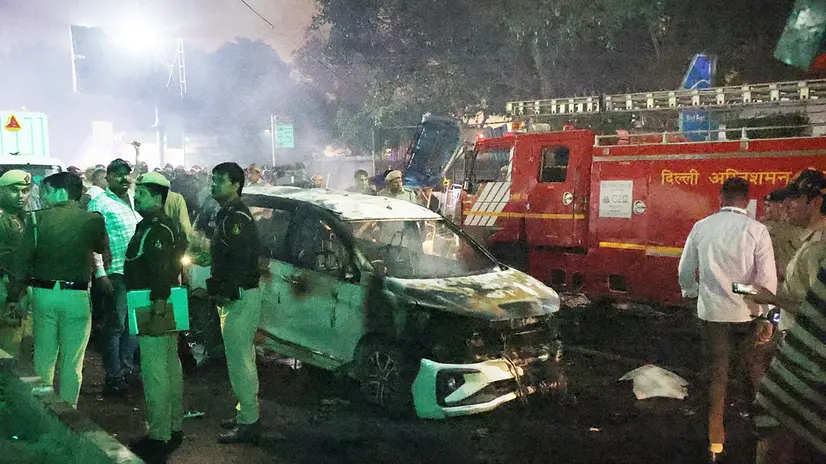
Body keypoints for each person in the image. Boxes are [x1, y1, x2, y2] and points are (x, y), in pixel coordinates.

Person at [677, 177, 777, 462]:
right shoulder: (757, 230)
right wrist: (768, 316)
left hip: (713, 316)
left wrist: (694, 292)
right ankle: (763, 436)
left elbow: (685, 270)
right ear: (747, 201)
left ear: (721, 197)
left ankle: (715, 444)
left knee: (717, 379)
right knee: (752, 374)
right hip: (748, 315)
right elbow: (766, 279)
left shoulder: (702, 227)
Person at [10, 172, 108, 407]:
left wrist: (14, 296)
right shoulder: (93, 219)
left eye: (47, 192)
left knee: (44, 356)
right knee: (73, 361)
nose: (43, 197)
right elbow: (102, 249)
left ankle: (43, 410)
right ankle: (69, 413)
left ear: (60, 192)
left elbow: (21, 262)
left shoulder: (36, 220)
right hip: (77, 296)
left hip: (43, 294)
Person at [124, 172, 187, 462]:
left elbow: (163, 267)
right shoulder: (162, 225)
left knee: (156, 372)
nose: (136, 197)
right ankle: (173, 427)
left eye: (142, 194)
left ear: (158, 197)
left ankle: (159, 435)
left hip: (154, 302)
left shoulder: (158, 228)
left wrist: (159, 302)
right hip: (163, 299)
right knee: (170, 367)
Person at [209, 162, 264, 444]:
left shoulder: (236, 218)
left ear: (236, 185)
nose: (213, 183)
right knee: (242, 359)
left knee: (240, 362)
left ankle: (249, 422)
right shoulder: (229, 214)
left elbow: (240, 261)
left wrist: (223, 291)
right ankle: (246, 412)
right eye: (213, 178)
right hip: (236, 294)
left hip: (239, 296)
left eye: (220, 179)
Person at [87, 158, 142, 396]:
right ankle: (114, 377)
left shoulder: (131, 201)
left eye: (127, 174)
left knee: (132, 326)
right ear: (107, 177)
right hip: (114, 274)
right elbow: (92, 242)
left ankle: (127, 371)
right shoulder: (100, 204)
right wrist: (100, 274)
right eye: (118, 174)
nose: (123, 178)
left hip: (134, 274)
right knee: (115, 326)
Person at [0, 170, 32, 359]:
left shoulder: (19, 217)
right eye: (14, 190)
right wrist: (12, 295)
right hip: (6, 288)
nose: (20, 195)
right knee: (8, 350)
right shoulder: (4, 219)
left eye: (25, 190)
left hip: (15, 287)